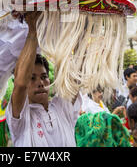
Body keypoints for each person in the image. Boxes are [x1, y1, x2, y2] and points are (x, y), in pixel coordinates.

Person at [6, 12, 82, 147]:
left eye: (44, 77)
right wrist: (33, 29)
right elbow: (21, 83)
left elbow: (75, 75)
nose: (40, 83)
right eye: (32, 78)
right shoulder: (20, 117)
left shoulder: (62, 107)